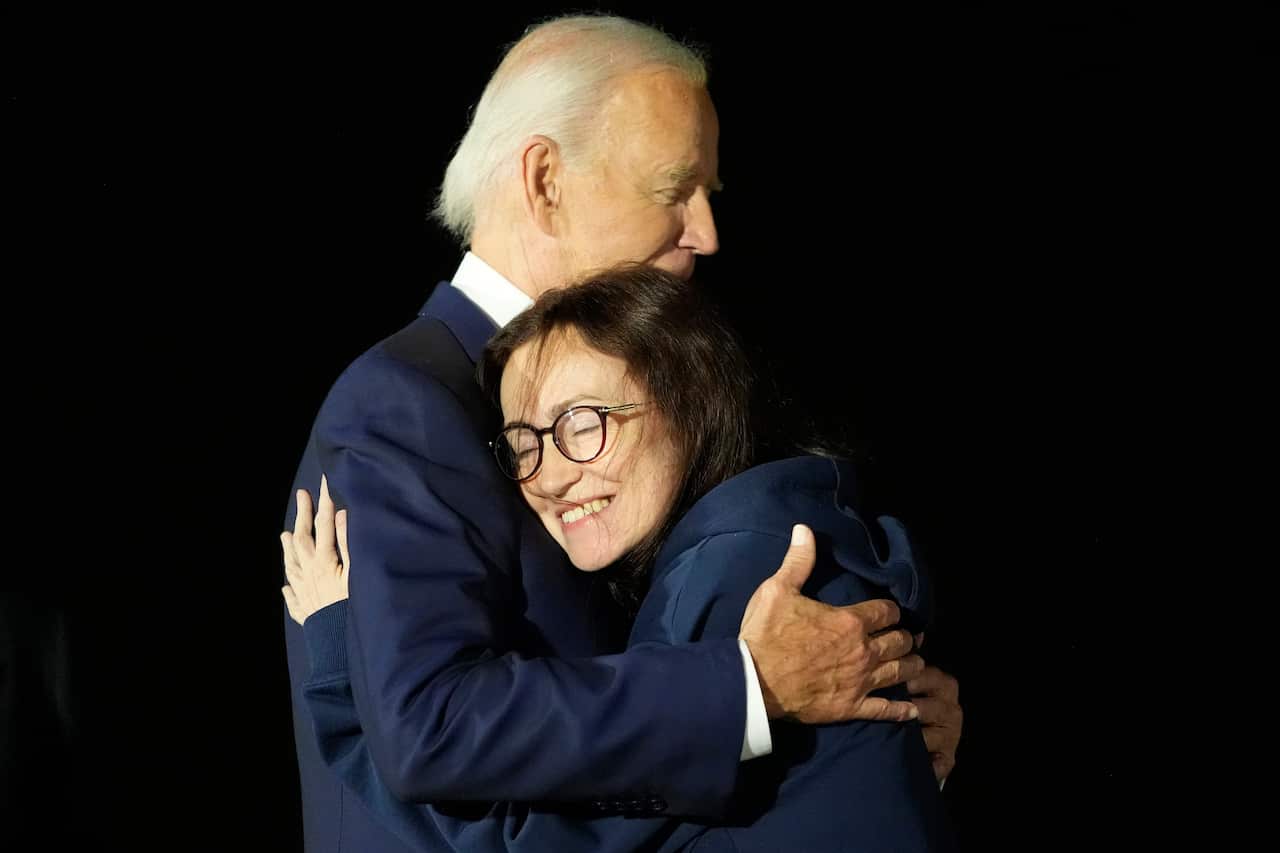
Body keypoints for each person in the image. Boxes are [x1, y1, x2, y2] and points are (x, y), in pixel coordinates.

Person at [281, 14, 961, 853]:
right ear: (545, 182)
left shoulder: (660, 392)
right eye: (673, 187)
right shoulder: (405, 403)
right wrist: (750, 690)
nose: (706, 234)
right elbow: (432, 727)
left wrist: (874, 721)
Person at [284, 266, 957, 851]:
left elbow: (528, 845)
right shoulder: (788, 527)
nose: (548, 475)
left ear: (689, 401)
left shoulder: (750, 580)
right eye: (523, 445)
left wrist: (344, 671)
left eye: (584, 423)